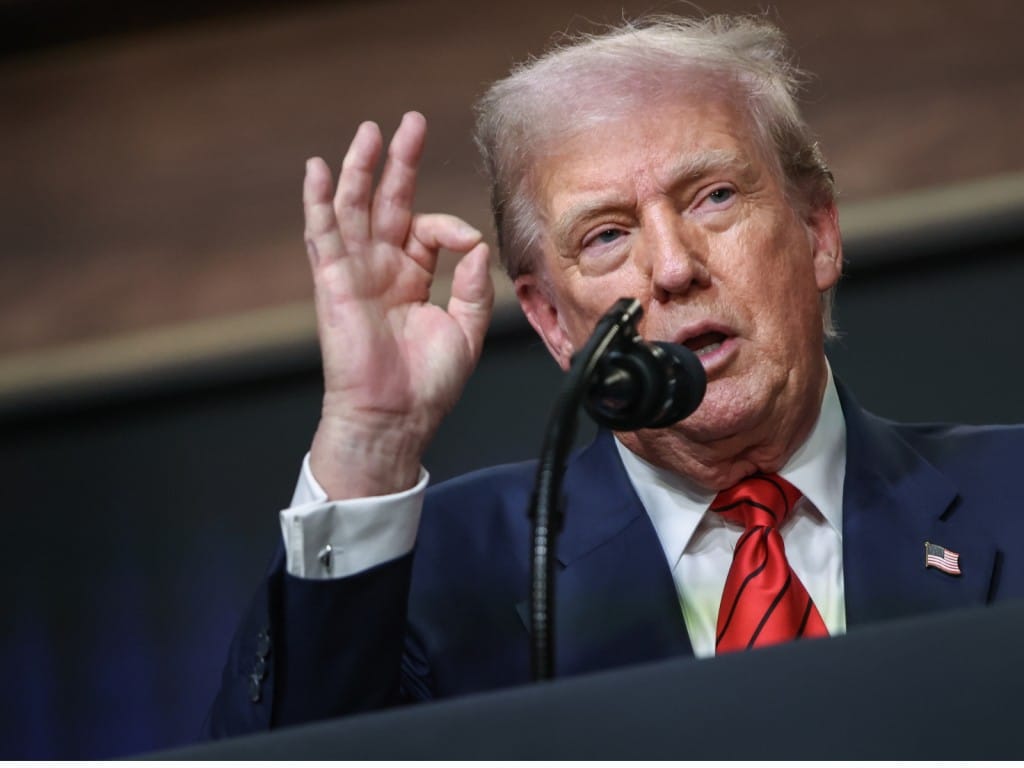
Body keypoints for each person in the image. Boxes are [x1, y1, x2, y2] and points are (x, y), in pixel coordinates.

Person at [203, 13, 1024, 736]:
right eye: (604, 236)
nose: (672, 268)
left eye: (712, 196)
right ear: (553, 321)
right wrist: (367, 439)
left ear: (818, 234)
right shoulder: (437, 576)